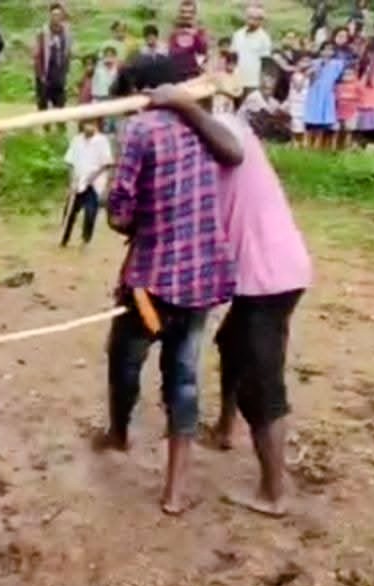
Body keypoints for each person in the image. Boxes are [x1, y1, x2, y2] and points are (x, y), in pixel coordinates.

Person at [159, 87, 313, 519]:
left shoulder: (224, 128)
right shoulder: (207, 140)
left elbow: (231, 152)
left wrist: (183, 105)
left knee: (260, 384)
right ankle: (226, 429)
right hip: (268, 270)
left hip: (270, 275)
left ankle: (273, 494)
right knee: (231, 342)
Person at [101, 55, 242, 516]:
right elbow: (234, 155)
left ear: (140, 90)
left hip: (152, 281)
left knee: (125, 358)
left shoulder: (140, 129)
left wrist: (133, 220)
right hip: (201, 277)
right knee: (183, 378)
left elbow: (119, 211)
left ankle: (118, 434)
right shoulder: (206, 125)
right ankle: (175, 491)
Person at [60, 118, 113, 247]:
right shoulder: (76, 140)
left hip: (94, 184)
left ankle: (85, 240)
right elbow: (70, 162)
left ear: (96, 125)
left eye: (91, 124)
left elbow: (106, 164)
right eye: (86, 124)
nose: (88, 127)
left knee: (90, 213)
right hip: (78, 182)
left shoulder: (102, 141)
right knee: (69, 212)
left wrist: (92, 177)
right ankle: (64, 238)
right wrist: (72, 178)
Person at [304, 42, 345, 149]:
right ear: (321, 51)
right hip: (315, 92)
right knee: (311, 118)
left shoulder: (337, 64)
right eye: (325, 49)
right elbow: (308, 76)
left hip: (327, 93)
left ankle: (319, 143)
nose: (327, 52)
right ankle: (308, 143)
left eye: (330, 50)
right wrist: (314, 70)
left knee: (324, 119)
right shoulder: (315, 62)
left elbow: (339, 77)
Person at [34, 3, 72, 110]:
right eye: (54, 15)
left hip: (59, 74)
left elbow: (68, 53)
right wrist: (40, 74)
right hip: (45, 74)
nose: (56, 17)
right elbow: (37, 54)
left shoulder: (66, 33)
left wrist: (66, 71)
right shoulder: (43, 32)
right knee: (43, 104)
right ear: (50, 16)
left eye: (58, 15)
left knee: (60, 104)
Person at [232, 6, 273, 99]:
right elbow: (233, 56)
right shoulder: (238, 34)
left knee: (251, 105)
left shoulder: (264, 38)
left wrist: (264, 81)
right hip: (236, 80)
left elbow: (266, 62)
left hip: (254, 83)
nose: (252, 21)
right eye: (250, 17)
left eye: (256, 18)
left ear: (261, 21)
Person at [168, 0, 209, 80]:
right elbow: (169, 53)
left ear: (194, 14)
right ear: (179, 13)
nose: (186, 15)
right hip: (175, 76)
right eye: (183, 12)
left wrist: (195, 35)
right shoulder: (174, 32)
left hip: (193, 77)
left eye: (190, 12)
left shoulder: (200, 32)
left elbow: (204, 55)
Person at [270, 30, 304, 102]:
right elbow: (284, 67)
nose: (290, 40)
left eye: (293, 38)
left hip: (293, 88)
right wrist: (298, 68)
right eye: (288, 38)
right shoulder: (276, 53)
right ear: (283, 39)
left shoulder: (298, 54)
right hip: (279, 87)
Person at [335, 64, 361, 149]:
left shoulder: (356, 86)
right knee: (338, 130)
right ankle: (338, 146)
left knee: (349, 131)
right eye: (345, 74)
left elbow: (360, 97)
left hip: (351, 112)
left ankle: (347, 146)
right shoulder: (338, 87)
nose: (347, 76)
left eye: (350, 74)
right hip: (339, 112)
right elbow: (336, 97)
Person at [288, 61, 309, 146]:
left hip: (305, 101)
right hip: (296, 101)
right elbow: (298, 87)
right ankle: (294, 141)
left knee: (304, 121)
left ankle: (304, 141)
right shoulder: (295, 75)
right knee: (295, 121)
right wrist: (305, 76)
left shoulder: (307, 76)